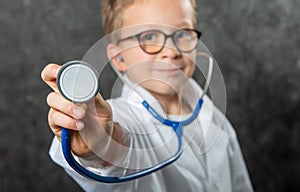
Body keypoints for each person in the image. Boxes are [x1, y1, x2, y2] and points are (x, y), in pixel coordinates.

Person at [41, 0, 254, 191]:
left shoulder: (215, 119)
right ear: (118, 57)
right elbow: (119, 151)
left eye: (182, 34)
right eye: (149, 37)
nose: (171, 51)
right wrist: (101, 147)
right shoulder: (123, 118)